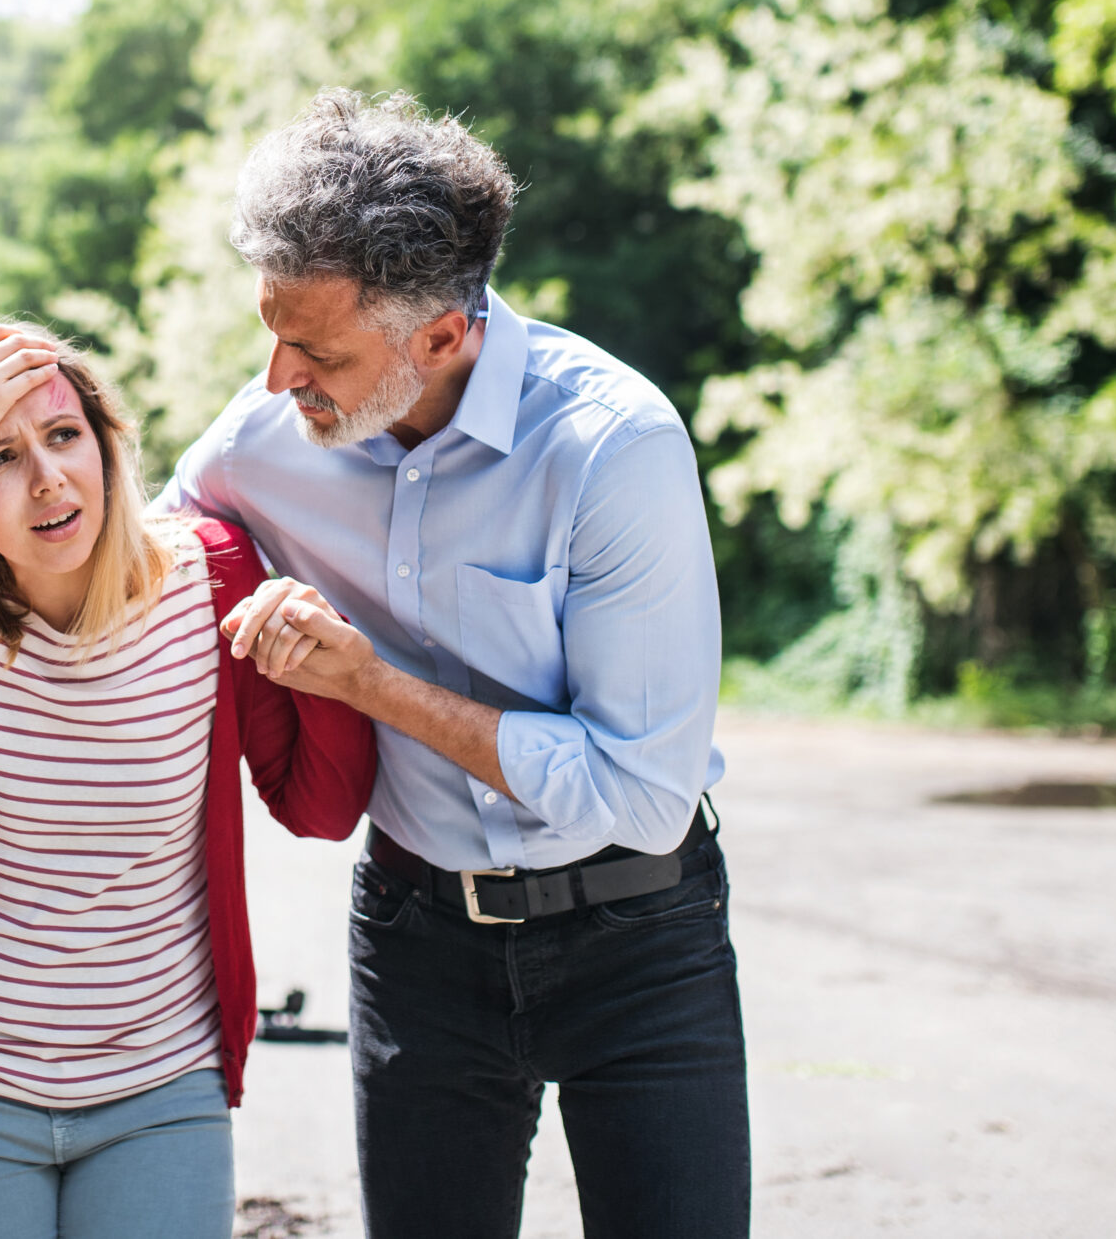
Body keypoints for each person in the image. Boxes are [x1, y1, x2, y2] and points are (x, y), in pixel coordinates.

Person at [157, 91, 750, 1239]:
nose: (279, 378)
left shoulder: (612, 447)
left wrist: (367, 685)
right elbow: (130, 570)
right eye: (269, 332)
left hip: (640, 940)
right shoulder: (264, 435)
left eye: (316, 349)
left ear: (441, 335)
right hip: (415, 934)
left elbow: (640, 791)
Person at [0, 321, 377, 1239]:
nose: (48, 479)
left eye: (63, 435)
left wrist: (326, 667)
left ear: (105, 442)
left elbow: (323, 809)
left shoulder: (211, 578)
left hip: (162, 1088)